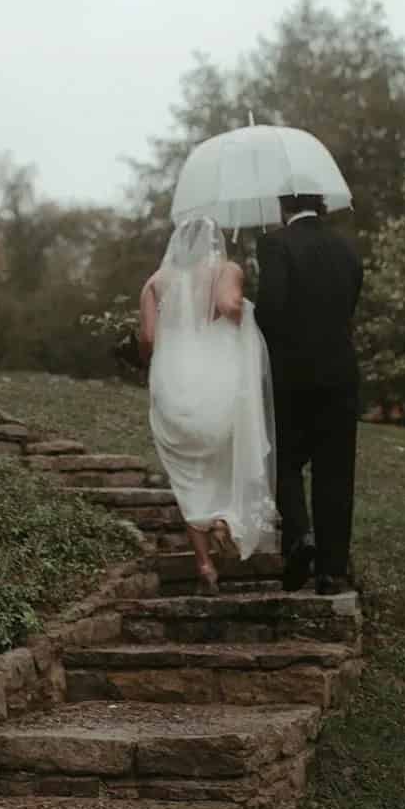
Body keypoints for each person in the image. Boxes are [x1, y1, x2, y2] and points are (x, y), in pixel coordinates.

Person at [138, 213, 277, 593]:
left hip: (173, 388)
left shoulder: (155, 283)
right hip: (217, 387)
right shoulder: (225, 269)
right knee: (225, 460)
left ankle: (204, 567)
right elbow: (229, 304)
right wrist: (243, 308)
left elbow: (148, 338)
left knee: (187, 476)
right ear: (215, 241)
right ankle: (224, 520)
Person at [254, 193, 363, 595]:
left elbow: (270, 309)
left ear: (284, 208)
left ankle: (300, 535)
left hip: (291, 376)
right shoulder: (347, 248)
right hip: (340, 373)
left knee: (282, 460)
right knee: (336, 472)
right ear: (321, 206)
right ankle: (331, 572)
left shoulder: (276, 244)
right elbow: (348, 305)